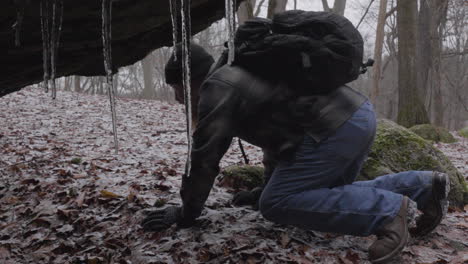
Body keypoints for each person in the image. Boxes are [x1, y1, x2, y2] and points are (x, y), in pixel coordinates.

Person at [143, 22, 450, 264]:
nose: (177, 98)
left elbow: (205, 158)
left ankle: (389, 212)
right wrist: (264, 186)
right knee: (324, 195)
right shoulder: (239, 74)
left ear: (189, 79)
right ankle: (423, 186)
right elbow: (277, 137)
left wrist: (187, 212)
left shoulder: (216, 89)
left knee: (276, 204)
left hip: (334, 128)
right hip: (357, 116)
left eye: (176, 88)